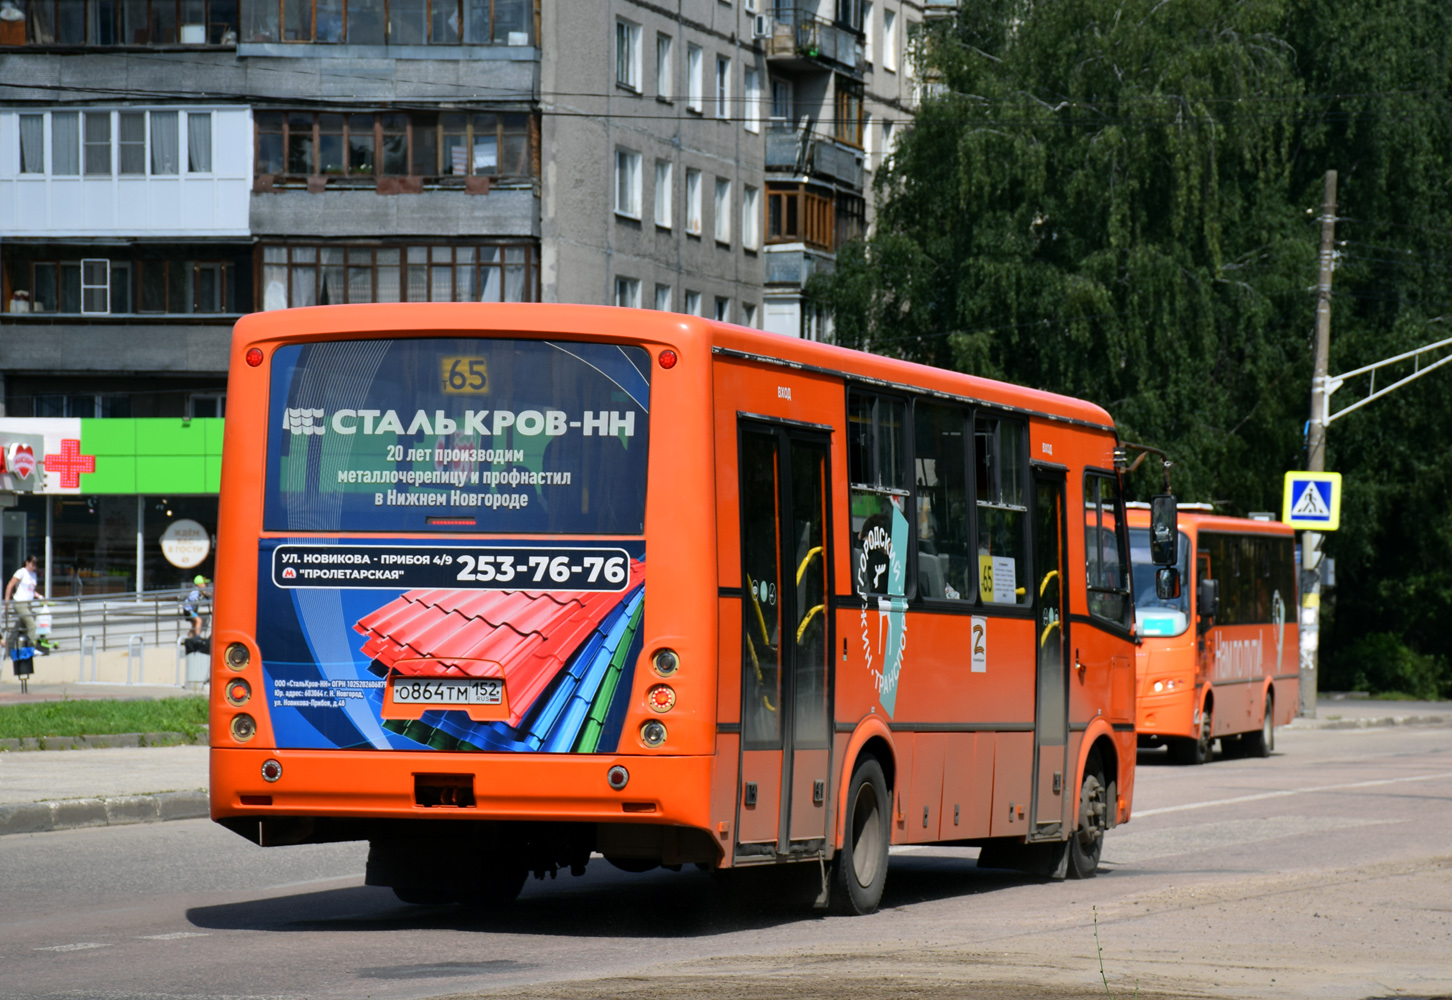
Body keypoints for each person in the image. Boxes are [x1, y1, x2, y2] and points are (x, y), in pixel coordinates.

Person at [4, 554, 41, 652]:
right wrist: (7, 601)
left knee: (22, 627)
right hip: (20, 602)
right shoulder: (21, 572)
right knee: (32, 625)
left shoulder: (33, 575)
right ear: (27, 563)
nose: (33, 567)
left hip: (28, 603)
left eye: (35, 565)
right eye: (32, 564)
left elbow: (31, 590)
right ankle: (31, 647)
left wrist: (40, 596)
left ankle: (15, 648)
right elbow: (10, 585)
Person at [182, 575, 210, 639]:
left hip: (192, 610)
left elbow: (203, 601)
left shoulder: (200, 592)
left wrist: (205, 596)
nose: (206, 585)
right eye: (204, 583)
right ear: (199, 584)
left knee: (194, 625)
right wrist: (203, 594)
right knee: (199, 620)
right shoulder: (195, 592)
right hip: (189, 611)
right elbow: (193, 599)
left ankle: (190, 638)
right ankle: (197, 637)